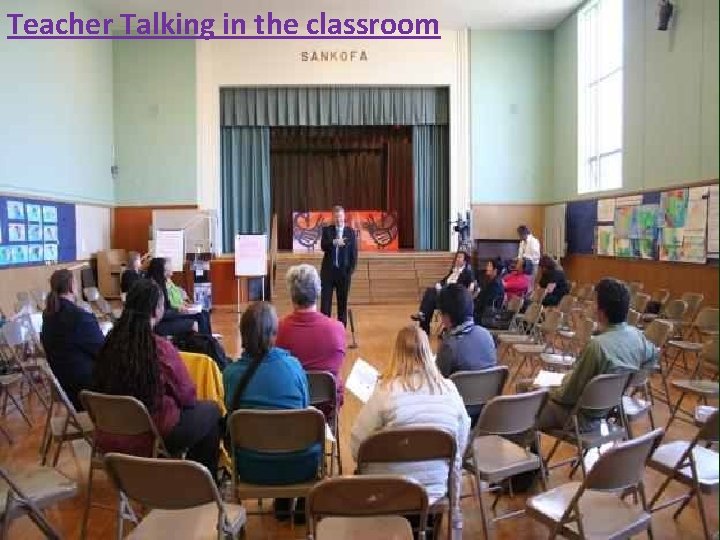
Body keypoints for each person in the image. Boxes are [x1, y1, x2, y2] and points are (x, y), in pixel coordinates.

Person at [93, 279, 221, 478]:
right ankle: (203, 482)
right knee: (211, 410)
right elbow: (187, 395)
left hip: (109, 433)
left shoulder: (109, 342)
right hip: (150, 434)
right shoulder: (159, 348)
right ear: (156, 311)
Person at [351, 325, 470, 534]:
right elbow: (461, 440)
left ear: (396, 354)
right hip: (434, 489)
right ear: (428, 353)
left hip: (389, 489)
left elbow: (357, 447)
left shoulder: (385, 391)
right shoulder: (449, 389)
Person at [223, 302, 320, 521]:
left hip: (251, 467)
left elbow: (231, 414)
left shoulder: (230, 374)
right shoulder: (293, 366)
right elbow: (303, 409)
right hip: (299, 466)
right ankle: (298, 504)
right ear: (274, 333)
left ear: (243, 334)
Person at [535, 278, 658, 431]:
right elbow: (653, 357)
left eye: (594, 302)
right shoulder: (637, 336)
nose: (592, 306)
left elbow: (568, 396)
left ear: (602, 312)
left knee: (521, 408)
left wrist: (547, 388)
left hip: (577, 417)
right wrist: (629, 381)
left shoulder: (597, 346)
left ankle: (530, 453)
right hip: (606, 410)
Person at [276, 264, 346, 420]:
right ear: (318, 292)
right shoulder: (337, 328)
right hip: (327, 409)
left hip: (289, 405)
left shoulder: (278, 329)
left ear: (291, 294)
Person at [41, 269, 105, 410]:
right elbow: (104, 351)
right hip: (88, 389)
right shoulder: (79, 317)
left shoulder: (48, 315)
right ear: (71, 286)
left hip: (65, 386)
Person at [412, 251, 475, 334]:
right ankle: (423, 321)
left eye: (460, 257)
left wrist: (469, 291)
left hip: (453, 298)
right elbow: (443, 281)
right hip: (444, 294)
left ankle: (423, 319)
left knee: (431, 293)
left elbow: (472, 284)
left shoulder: (467, 272)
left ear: (465, 261)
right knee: (430, 295)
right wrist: (439, 285)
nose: (457, 259)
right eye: (457, 257)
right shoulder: (453, 271)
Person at [146, 257, 211, 336]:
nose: (171, 269)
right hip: (160, 324)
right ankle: (206, 341)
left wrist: (180, 309)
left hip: (167, 317)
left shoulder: (161, 283)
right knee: (199, 317)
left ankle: (208, 339)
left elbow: (167, 307)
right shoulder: (155, 287)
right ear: (162, 271)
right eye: (169, 267)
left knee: (202, 313)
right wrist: (179, 310)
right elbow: (160, 314)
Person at [320, 205, 358, 327]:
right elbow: (323, 246)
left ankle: (341, 329)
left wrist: (350, 270)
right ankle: (324, 327)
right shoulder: (327, 230)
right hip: (328, 273)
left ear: (344, 216)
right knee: (325, 303)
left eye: (340, 216)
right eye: (336, 217)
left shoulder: (350, 232)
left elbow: (354, 253)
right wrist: (335, 242)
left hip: (343, 273)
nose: (338, 219)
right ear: (333, 217)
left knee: (342, 303)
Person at [473, 258, 505, 323]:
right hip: (483, 312)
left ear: (495, 270)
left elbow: (486, 303)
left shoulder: (495, 285)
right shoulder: (491, 282)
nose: (487, 268)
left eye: (489, 266)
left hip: (487, 316)